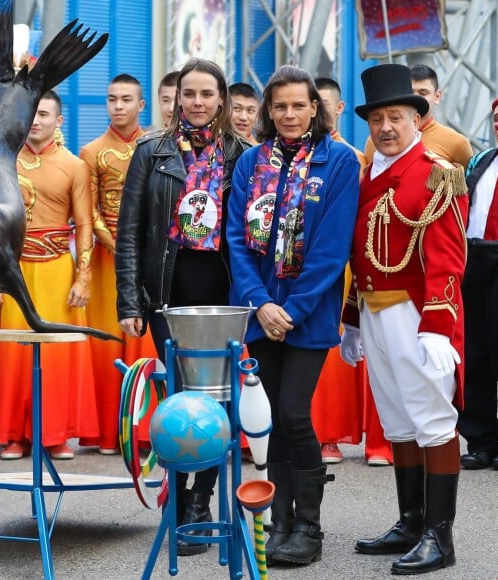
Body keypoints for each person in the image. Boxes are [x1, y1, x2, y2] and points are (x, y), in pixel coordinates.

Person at [227, 65, 360, 567]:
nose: (288, 114)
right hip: (260, 311)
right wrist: (261, 302)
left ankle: (309, 524)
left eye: (298, 105)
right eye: (279, 105)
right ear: (268, 109)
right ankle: (278, 521)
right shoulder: (251, 162)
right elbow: (237, 241)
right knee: (270, 424)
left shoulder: (340, 162)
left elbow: (332, 247)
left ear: (315, 109)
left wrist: (293, 308)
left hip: (309, 313)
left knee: (292, 412)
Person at [116, 58, 249, 556]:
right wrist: (129, 299)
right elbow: (129, 230)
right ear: (176, 98)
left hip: (222, 292)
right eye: (188, 93)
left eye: (206, 94)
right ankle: (180, 492)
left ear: (222, 100)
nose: (197, 102)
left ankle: (200, 499)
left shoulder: (243, 154)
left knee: (216, 401)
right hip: (166, 293)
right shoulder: (151, 151)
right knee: (178, 399)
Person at [340, 64, 468, 575]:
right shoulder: (369, 173)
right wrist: (352, 317)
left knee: (433, 422)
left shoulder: (436, 172)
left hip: (417, 316)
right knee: (397, 421)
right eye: (377, 119)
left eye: (396, 116)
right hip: (376, 312)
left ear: (418, 117)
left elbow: (447, 258)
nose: (386, 127)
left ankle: (441, 536)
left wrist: (438, 327)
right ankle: (410, 521)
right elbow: (361, 254)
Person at [0, 90, 99, 461]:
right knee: (12, 353)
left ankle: (55, 434)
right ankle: (12, 434)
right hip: (10, 269)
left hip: (57, 269)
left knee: (57, 354)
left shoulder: (74, 165)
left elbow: (83, 224)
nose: (37, 120)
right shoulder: (2, 160)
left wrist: (83, 277)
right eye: (32, 113)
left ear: (58, 121)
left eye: (45, 114)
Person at [311, 76, 392, 467]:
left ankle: (380, 439)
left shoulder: (358, 159)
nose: (320, 112)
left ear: (339, 108)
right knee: (321, 358)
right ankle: (324, 436)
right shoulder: (297, 156)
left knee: (361, 354)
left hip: (352, 267)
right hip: (307, 264)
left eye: (327, 104)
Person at [79, 74, 157, 455]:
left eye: (127, 99)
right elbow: (89, 212)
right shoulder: (91, 152)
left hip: (151, 259)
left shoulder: (157, 147)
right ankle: (108, 433)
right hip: (110, 260)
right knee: (108, 346)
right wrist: (121, 246)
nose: (119, 106)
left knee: (147, 342)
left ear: (141, 105)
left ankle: (147, 430)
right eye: (112, 99)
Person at [457, 89, 498, 471]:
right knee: (474, 352)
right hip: (476, 257)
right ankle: (479, 438)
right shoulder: (480, 162)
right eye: (496, 119)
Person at [364, 64, 473, 169]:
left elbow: (468, 185)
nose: (416, 98)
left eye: (423, 93)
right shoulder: (377, 140)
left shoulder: (457, 143)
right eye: (410, 92)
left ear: (437, 96)